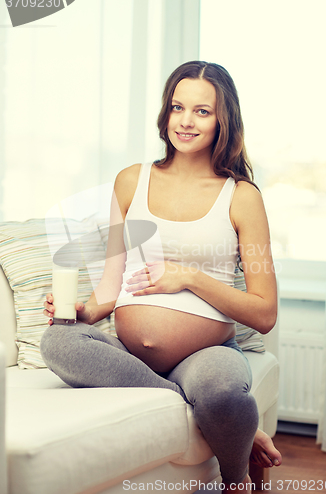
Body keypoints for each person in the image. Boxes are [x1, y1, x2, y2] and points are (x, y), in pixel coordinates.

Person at [41, 61, 282, 492]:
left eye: (202, 111)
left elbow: (264, 313)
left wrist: (189, 277)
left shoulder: (242, 197)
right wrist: (84, 310)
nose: (185, 121)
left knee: (224, 392)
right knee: (58, 340)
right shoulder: (131, 181)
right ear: (165, 113)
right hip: (132, 356)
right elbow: (109, 289)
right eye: (177, 107)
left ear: (224, 120)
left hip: (206, 354)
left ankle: (236, 478)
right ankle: (213, 418)